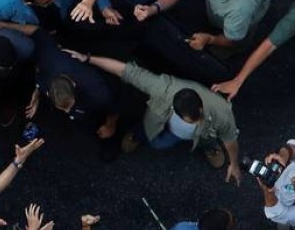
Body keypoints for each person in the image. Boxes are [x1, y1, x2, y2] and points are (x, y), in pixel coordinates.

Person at [81, 52, 241, 180]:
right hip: (161, 122)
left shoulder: (222, 111)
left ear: (200, 106)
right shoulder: (161, 88)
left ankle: (209, 146)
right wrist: (88, 58)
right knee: (157, 142)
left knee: (207, 135)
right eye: (191, 120)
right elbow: (126, 71)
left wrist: (234, 163)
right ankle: (140, 133)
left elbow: (230, 140)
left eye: (197, 116)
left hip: (205, 133)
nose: (198, 121)